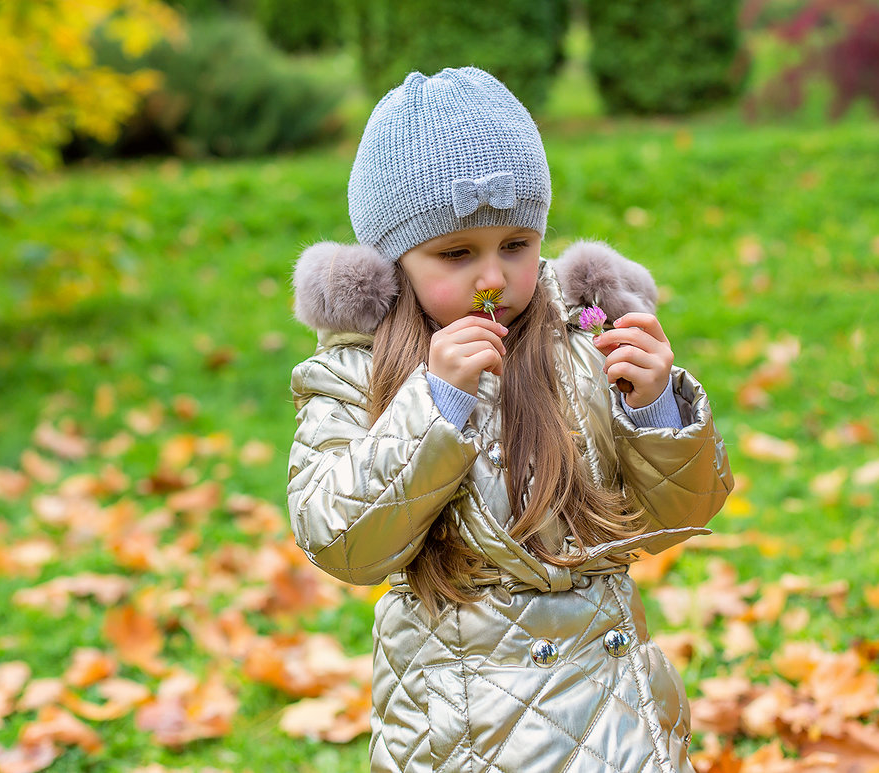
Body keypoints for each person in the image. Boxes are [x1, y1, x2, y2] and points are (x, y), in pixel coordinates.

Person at [287, 67, 733, 773]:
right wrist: (435, 404)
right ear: (393, 259)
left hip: (612, 717)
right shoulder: (357, 371)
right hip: (464, 727)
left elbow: (678, 519)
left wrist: (655, 406)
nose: (492, 276)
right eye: (457, 253)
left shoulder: (585, 337)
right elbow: (342, 542)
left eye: (516, 244)